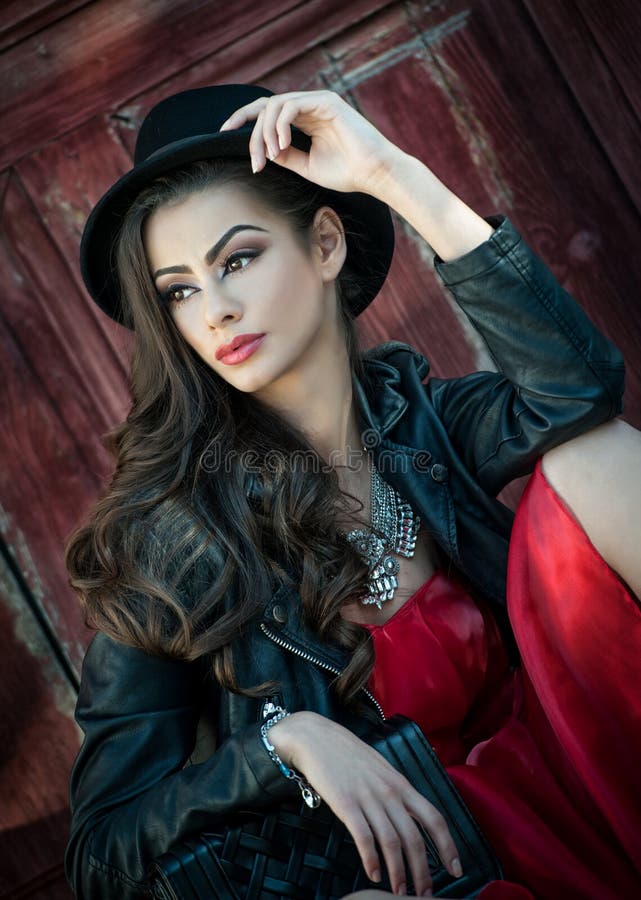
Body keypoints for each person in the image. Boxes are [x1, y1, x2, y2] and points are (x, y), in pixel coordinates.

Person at [62, 84, 640, 900]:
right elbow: (100, 855)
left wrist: (393, 176)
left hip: (584, 770)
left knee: (593, 458)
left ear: (325, 243)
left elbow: (579, 391)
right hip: (434, 870)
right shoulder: (171, 541)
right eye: (181, 291)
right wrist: (280, 745)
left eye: (238, 259)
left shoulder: (423, 423)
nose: (217, 311)